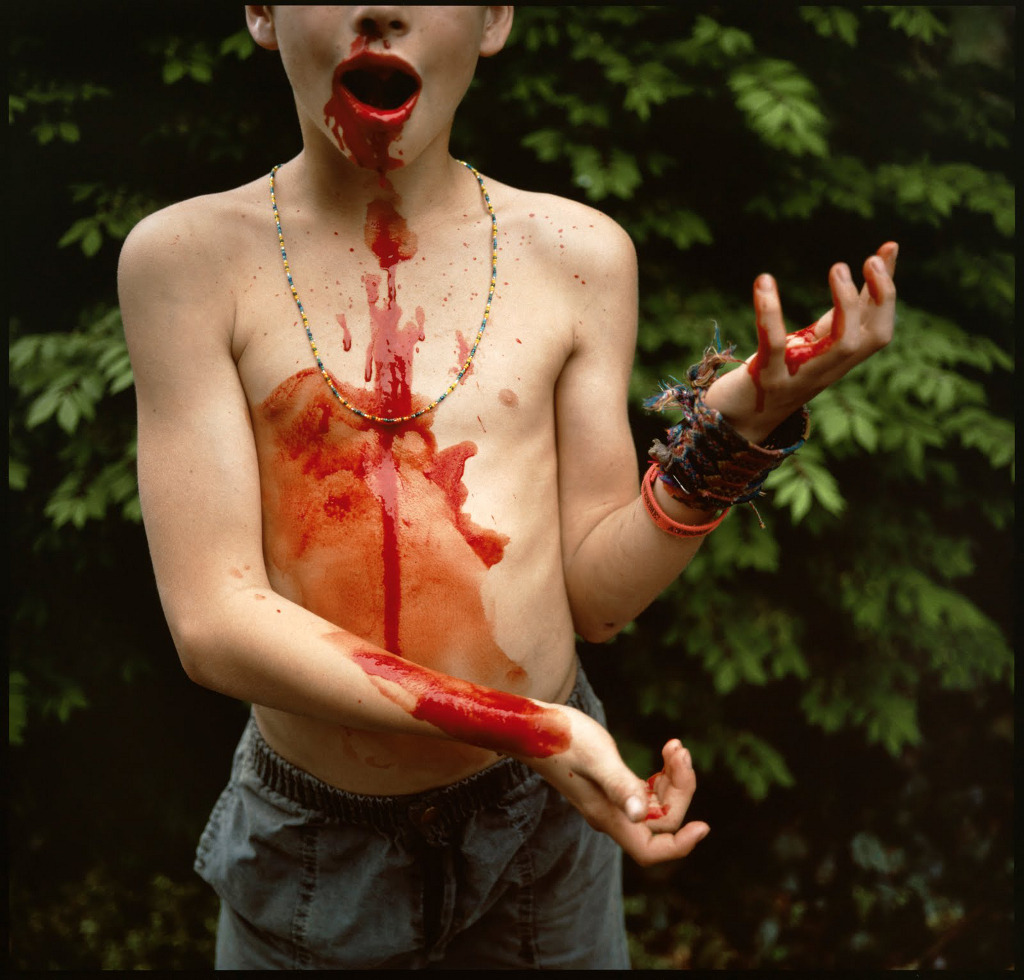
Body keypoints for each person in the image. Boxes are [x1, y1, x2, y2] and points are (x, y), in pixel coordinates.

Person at [117, 5, 897, 970]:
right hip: (318, 853)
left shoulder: (577, 256)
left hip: (544, 841)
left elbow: (600, 600)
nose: (380, 10)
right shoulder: (188, 264)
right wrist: (531, 727)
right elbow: (214, 622)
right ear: (263, 13)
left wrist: (733, 433)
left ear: (493, 20)